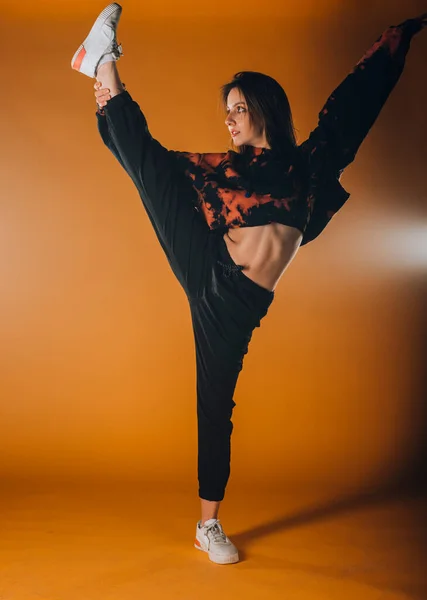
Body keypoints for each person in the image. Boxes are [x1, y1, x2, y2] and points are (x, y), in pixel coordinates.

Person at [71, 3, 426, 565]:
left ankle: (204, 527)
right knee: (153, 169)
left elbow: (354, 106)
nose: (230, 118)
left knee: (215, 406)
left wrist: (397, 38)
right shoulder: (223, 169)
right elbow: (147, 161)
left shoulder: (307, 165)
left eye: (239, 108)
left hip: (236, 307)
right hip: (205, 262)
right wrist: (109, 106)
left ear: (264, 108)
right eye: (227, 110)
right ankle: (104, 68)